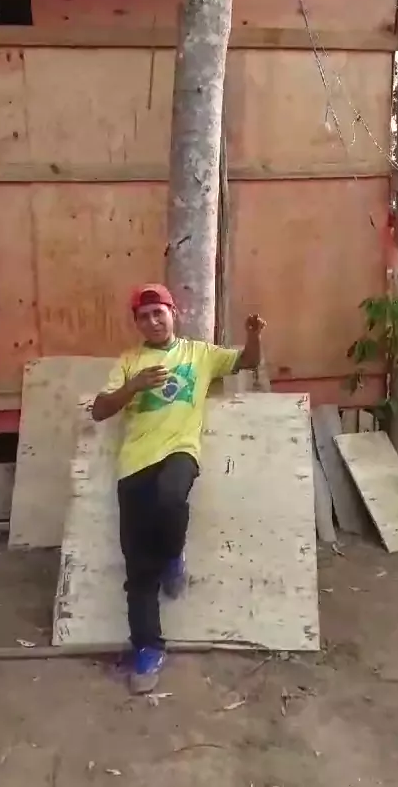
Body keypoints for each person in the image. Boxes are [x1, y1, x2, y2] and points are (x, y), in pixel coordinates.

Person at [92, 283, 265, 693]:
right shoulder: (129, 361)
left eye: (159, 313)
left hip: (179, 451)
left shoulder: (199, 354)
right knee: (138, 569)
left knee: (171, 498)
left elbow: (247, 361)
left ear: (174, 313)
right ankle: (147, 649)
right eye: (144, 316)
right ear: (136, 323)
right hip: (134, 463)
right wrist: (133, 386)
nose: (153, 321)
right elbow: (99, 410)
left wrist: (254, 335)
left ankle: (173, 555)